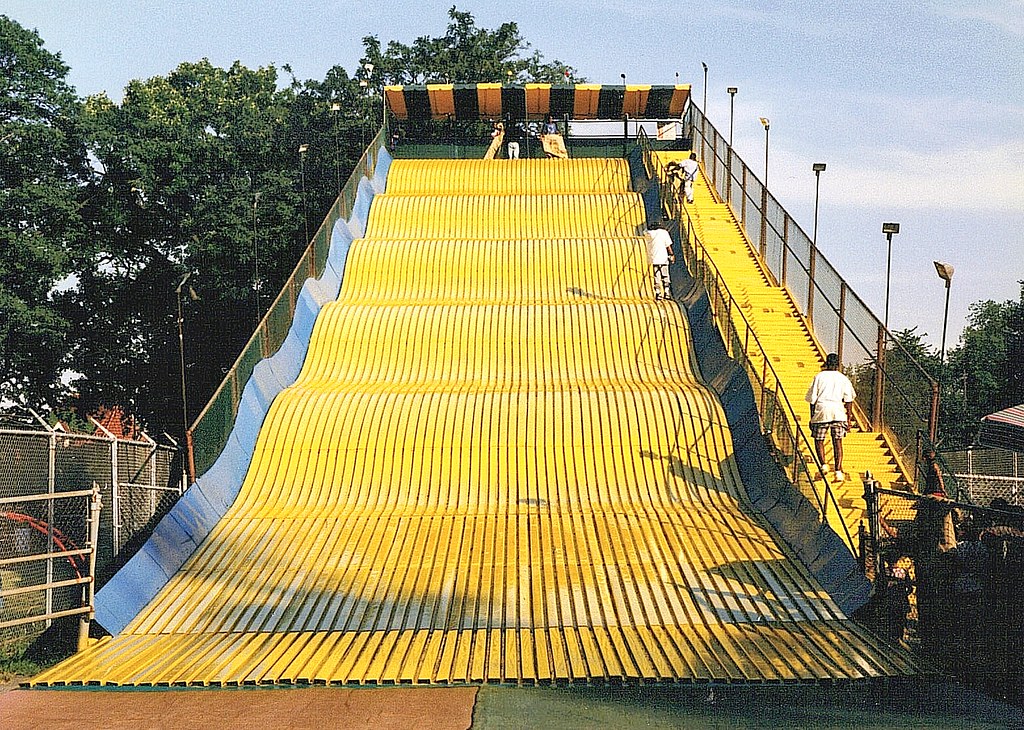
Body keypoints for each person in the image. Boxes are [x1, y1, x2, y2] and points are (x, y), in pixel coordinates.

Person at [804, 352, 856, 482]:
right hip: (838, 412)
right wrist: (848, 418)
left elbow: (812, 400)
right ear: (838, 365)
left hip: (822, 411)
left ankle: (823, 465)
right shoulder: (843, 378)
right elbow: (849, 400)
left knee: (819, 440)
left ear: (826, 363)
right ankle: (838, 471)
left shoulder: (819, 377)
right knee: (837, 442)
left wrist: (812, 417)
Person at [644, 221, 674, 301]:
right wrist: (671, 254)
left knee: (656, 276)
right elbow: (668, 246)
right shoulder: (664, 233)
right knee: (665, 275)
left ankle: (658, 293)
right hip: (663, 258)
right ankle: (667, 292)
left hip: (653, 258)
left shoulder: (648, 233)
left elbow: (645, 230)